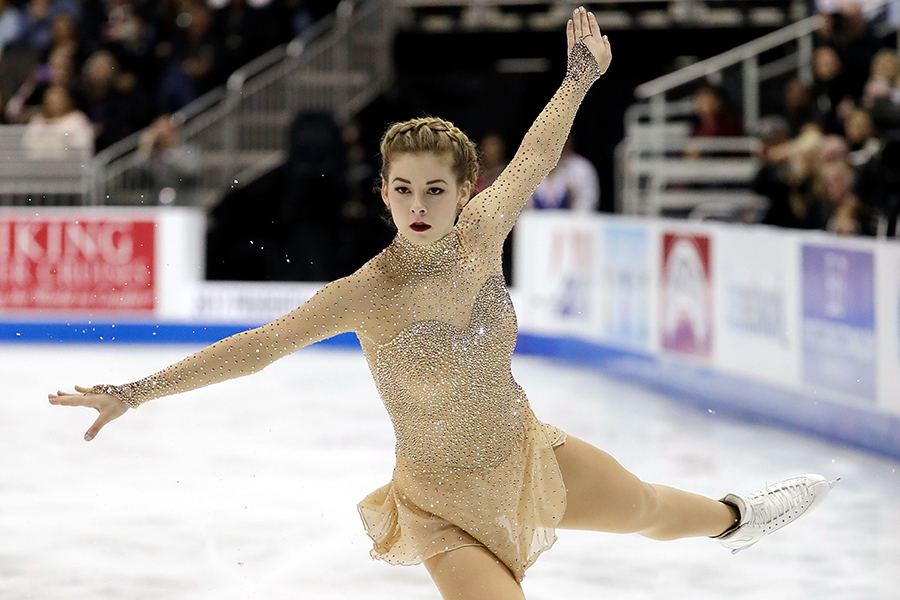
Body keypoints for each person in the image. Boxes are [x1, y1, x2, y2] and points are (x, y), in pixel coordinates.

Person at [49, 10, 835, 599]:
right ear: (383, 193)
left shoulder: (484, 233)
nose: (417, 204)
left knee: (645, 509)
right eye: (402, 189)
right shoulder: (367, 292)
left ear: (466, 191)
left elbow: (534, 154)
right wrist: (133, 393)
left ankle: (739, 519)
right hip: (441, 503)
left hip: (527, 452)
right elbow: (257, 347)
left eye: (435, 189)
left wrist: (578, 78)